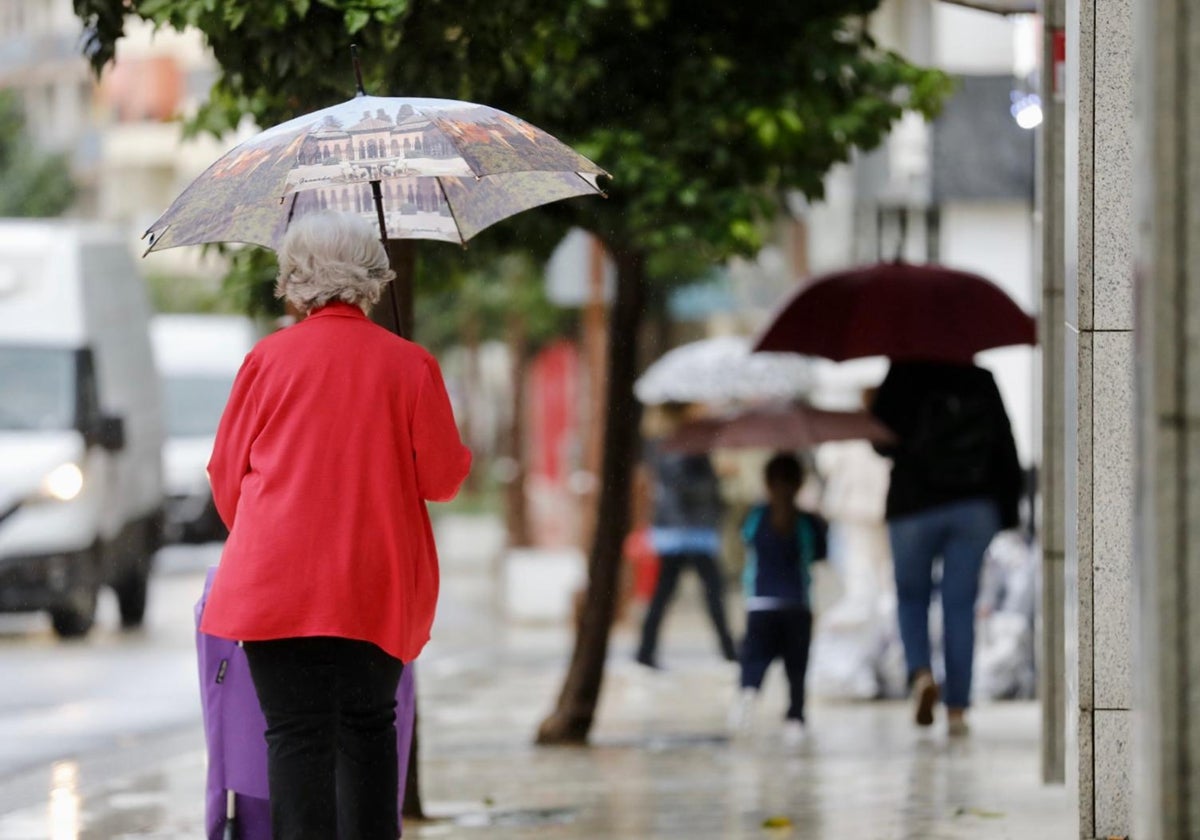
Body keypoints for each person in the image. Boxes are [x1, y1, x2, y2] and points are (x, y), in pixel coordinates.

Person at [199, 211, 472, 839]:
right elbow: (442, 480)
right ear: (373, 279)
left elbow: (224, 476)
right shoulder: (410, 365)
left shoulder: (265, 362)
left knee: (293, 738)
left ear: (294, 282)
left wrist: (272, 533)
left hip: (274, 590)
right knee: (370, 731)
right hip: (373, 588)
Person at [870, 359, 1022, 737]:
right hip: (973, 506)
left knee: (911, 597)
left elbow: (880, 440)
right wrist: (1008, 510)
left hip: (912, 506)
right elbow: (1004, 441)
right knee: (959, 605)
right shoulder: (980, 378)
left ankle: (921, 672)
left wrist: (875, 404)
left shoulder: (903, 372)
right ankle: (956, 709)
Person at [728, 453, 828, 742]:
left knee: (755, 658)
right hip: (797, 604)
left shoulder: (756, 517)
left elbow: (745, 542)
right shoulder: (809, 522)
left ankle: (748, 695)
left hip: (760, 603)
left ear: (766, 482)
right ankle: (795, 718)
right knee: (796, 669)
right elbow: (820, 555)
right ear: (800, 483)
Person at [635, 404, 738, 668]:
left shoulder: (661, 443)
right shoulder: (681, 444)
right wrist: (715, 477)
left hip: (678, 528)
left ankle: (646, 650)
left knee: (669, 592)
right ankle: (727, 649)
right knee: (709, 591)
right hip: (688, 529)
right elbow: (685, 484)